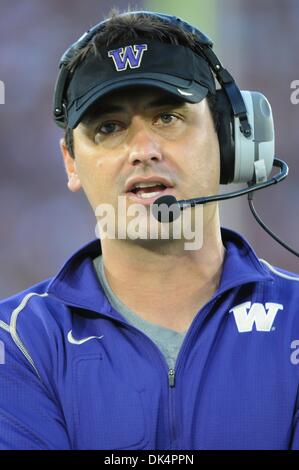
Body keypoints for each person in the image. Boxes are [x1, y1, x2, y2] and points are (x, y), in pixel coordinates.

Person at [0, 9, 299, 451]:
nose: (143, 150)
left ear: (230, 136)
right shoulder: (16, 343)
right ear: (70, 161)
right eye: (109, 127)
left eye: (167, 117)